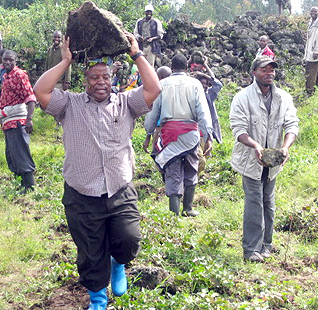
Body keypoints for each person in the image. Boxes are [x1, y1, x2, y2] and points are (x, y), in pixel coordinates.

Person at [33, 33, 161, 310]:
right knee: (90, 252)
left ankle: (119, 263)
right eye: (94, 77)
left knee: (128, 239)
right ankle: (98, 299)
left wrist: (137, 55)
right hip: (82, 193)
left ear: (112, 78)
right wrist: (65, 60)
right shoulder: (69, 105)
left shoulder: (126, 103)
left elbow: (154, 89)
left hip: (119, 188)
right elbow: (41, 92)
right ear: (85, 81)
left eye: (105, 76)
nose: (100, 82)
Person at [230, 55, 299, 262]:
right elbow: (238, 129)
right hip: (251, 160)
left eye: (272, 70)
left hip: (273, 161)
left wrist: (285, 147)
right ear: (254, 72)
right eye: (264, 70)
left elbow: (292, 124)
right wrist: (256, 146)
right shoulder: (243, 98)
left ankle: (266, 245)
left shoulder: (283, 98)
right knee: (254, 203)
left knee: (268, 202)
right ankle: (251, 250)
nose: (269, 73)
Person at [144, 54, 212, 217]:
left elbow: (153, 112)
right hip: (190, 134)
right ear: (187, 68)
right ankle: (187, 208)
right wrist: (207, 135)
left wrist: (148, 133)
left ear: (172, 68)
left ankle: (173, 214)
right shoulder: (194, 84)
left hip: (169, 134)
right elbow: (203, 110)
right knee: (191, 168)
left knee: (172, 171)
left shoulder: (162, 84)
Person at [0, 50, 36, 194]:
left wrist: (29, 119)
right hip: (8, 120)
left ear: (15, 61)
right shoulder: (6, 75)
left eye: (10, 60)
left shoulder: (19, 74)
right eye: (5, 60)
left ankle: (29, 186)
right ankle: (20, 183)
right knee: (12, 153)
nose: (7, 62)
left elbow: (30, 97)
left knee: (20, 152)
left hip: (17, 120)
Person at [192, 61, 223, 174]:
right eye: (202, 83)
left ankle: (200, 173)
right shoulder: (193, 94)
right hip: (196, 127)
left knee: (206, 151)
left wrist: (205, 69)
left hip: (207, 127)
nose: (204, 86)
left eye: (206, 83)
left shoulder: (209, 94)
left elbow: (218, 85)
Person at [304, 6, 318, 95]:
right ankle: (317, 92)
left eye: (315, 11)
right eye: (312, 11)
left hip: (315, 53)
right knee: (317, 74)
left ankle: (309, 92)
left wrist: (316, 51)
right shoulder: (311, 22)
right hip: (311, 51)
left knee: (310, 74)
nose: (313, 13)